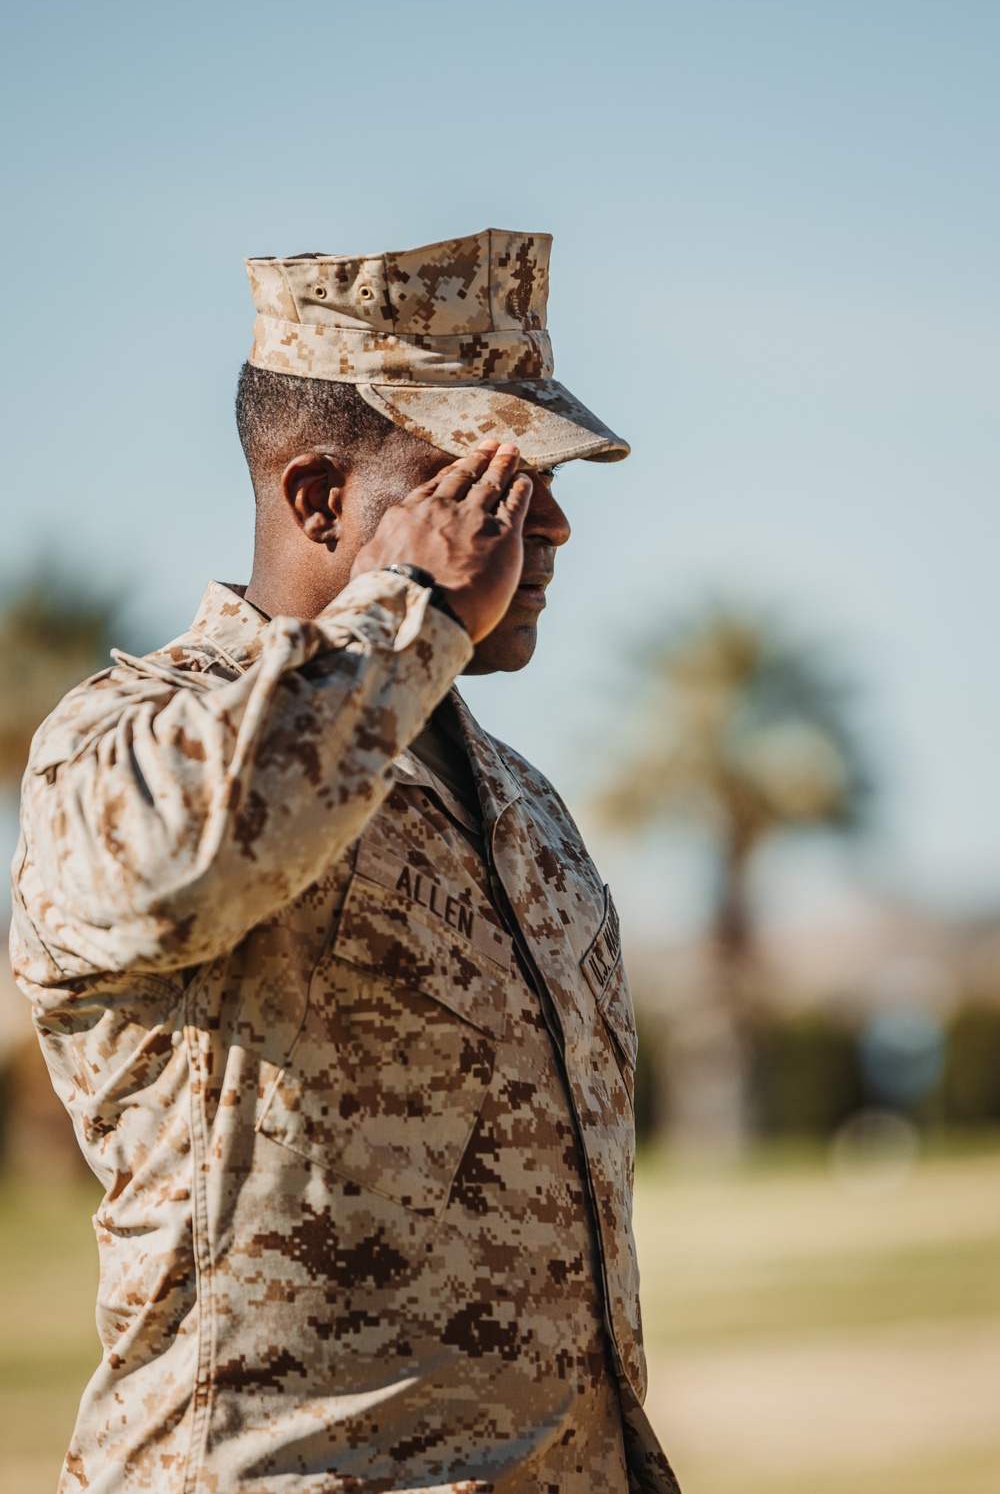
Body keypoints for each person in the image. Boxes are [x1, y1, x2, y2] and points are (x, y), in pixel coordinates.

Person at [11, 229, 679, 1493]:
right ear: (318, 496)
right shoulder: (121, 744)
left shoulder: (523, 804)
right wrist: (413, 607)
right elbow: (191, 855)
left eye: (541, 477)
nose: (549, 521)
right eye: (482, 480)